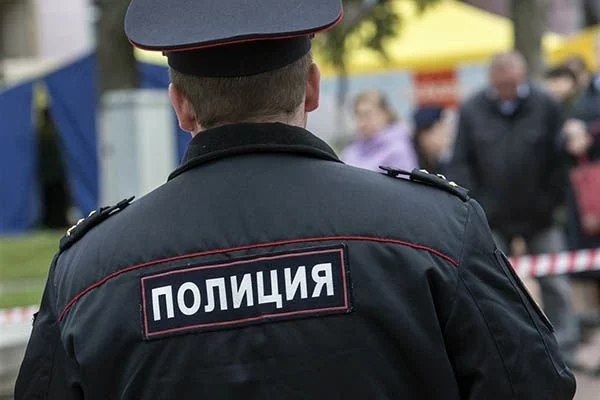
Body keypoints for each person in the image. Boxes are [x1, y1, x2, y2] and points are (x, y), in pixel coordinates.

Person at [15, 2, 575, 399]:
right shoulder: (435, 232)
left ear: (180, 106)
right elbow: (532, 384)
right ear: (311, 86)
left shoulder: (90, 272)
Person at [450, 51, 579, 366]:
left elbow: (559, 160)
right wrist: (478, 205)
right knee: (492, 285)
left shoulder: (545, 105)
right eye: (501, 84)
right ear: (492, 80)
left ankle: (565, 350)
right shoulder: (472, 110)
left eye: (512, 84)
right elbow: (461, 162)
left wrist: (551, 202)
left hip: (541, 214)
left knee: (555, 283)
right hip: (492, 217)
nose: (507, 90)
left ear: (521, 78)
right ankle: (504, 350)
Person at [342, 90, 418, 172]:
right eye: (358, 115)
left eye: (367, 114)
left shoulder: (398, 150)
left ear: (385, 114)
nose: (362, 122)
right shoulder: (352, 150)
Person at [412, 106, 454, 174]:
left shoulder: (440, 166)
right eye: (442, 127)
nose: (449, 133)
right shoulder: (410, 164)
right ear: (424, 134)